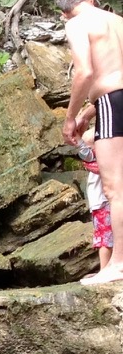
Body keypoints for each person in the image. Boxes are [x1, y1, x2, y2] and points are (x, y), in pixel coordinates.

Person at [59, 0, 123, 283]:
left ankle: (117, 265)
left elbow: (85, 73)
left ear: (64, 14)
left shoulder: (77, 24)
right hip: (111, 101)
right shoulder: (118, 21)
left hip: (112, 102)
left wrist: (71, 117)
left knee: (114, 189)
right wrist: (88, 112)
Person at [77, 121, 115, 282]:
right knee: (108, 238)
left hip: (104, 204)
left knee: (105, 239)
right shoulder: (99, 159)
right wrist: (78, 138)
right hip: (103, 204)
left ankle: (106, 269)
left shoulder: (103, 161)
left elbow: (86, 153)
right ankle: (107, 268)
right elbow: (85, 152)